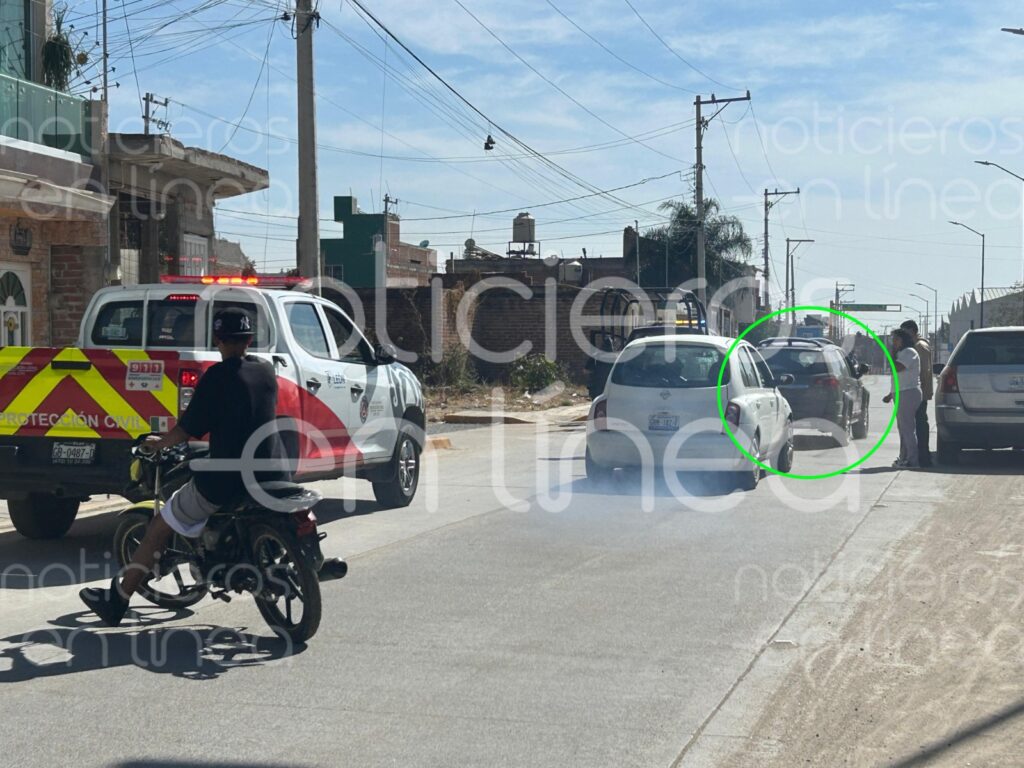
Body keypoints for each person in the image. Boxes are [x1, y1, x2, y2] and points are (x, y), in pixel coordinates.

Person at [80, 307, 290, 626]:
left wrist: (157, 443)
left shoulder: (216, 378)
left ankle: (116, 601)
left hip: (227, 482)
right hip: (272, 473)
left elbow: (185, 431)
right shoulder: (265, 371)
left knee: (162, 524)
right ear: (248, 338)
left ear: (218, 339)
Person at [882, 328, 922, 468]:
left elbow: (897, 368)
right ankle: (904, 457)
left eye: (896, 339)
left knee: (907, 428)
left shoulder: (909, 352)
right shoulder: (901, 353)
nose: (894, 342)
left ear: (903, 340)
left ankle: (912, 460)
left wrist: (892, 354)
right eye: (893, 339)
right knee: (902, 428)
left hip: (908, 393)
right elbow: (899, 379)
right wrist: (890, 394)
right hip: (901, 392)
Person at [900, 319, 933, 467]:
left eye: (904, 332)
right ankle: (914, 456)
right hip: (916, 390)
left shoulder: (920, 346)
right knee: (913, 425)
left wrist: (922, 390)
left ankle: (922, 457)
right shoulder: (915, 346)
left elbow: (924, 371)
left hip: (917, 391)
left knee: (917, 425)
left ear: (912, 331)